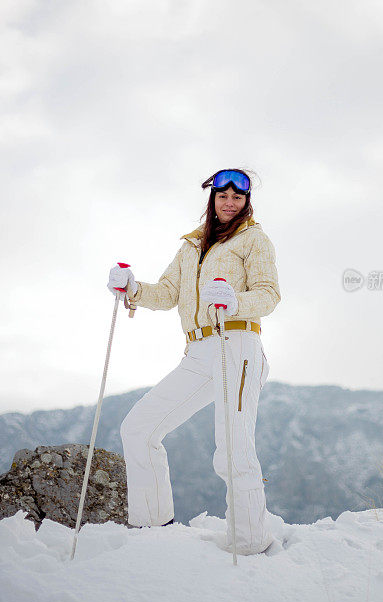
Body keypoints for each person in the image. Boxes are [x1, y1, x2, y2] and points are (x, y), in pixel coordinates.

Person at [107, 168, 281, 556]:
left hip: (238, 344)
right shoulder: (190, 246)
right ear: (212, 199)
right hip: (199, 351)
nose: (230, 202)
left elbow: (269, 294)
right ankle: (151, 525)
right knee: (139, 427)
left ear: (246, 202)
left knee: (233, 448)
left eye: (238, 198)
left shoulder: (254, 240)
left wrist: (236, 300)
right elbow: (168, 292)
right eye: (223, 196)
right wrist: (132, 287)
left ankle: (250, 543)